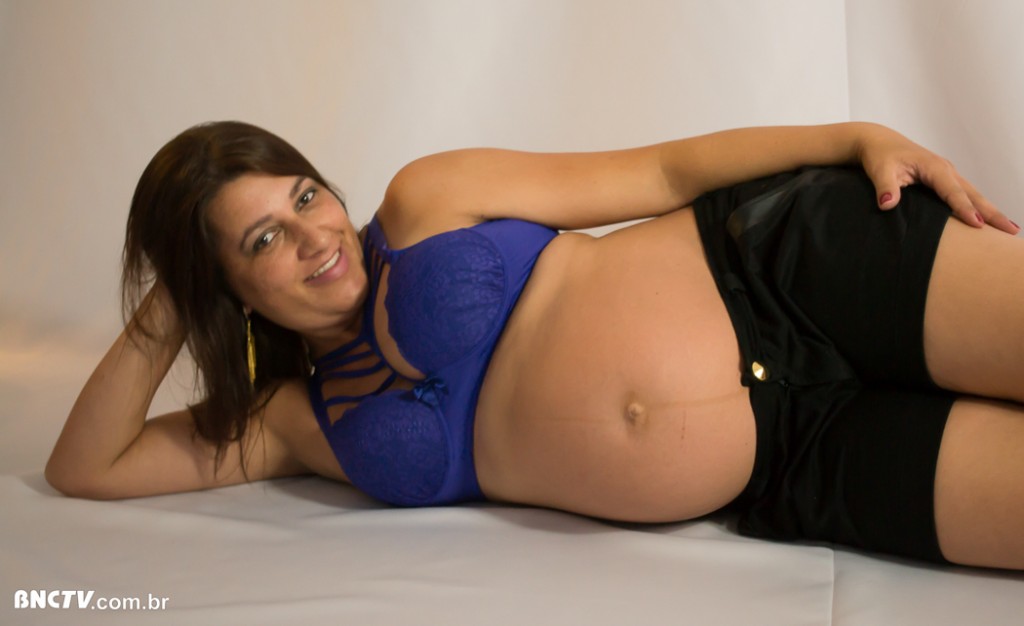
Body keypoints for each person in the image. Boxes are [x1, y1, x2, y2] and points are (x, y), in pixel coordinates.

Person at [45, 121, 1024, 570]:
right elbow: (88, 467)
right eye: (263, 239)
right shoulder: (299, 422)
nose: (314, 236)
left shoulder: (426, 200)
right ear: (223, 289)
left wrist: (849, 138)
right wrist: (171, 298)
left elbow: (663, 170)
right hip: (797, 463)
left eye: (306, 195)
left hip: (787, 267)